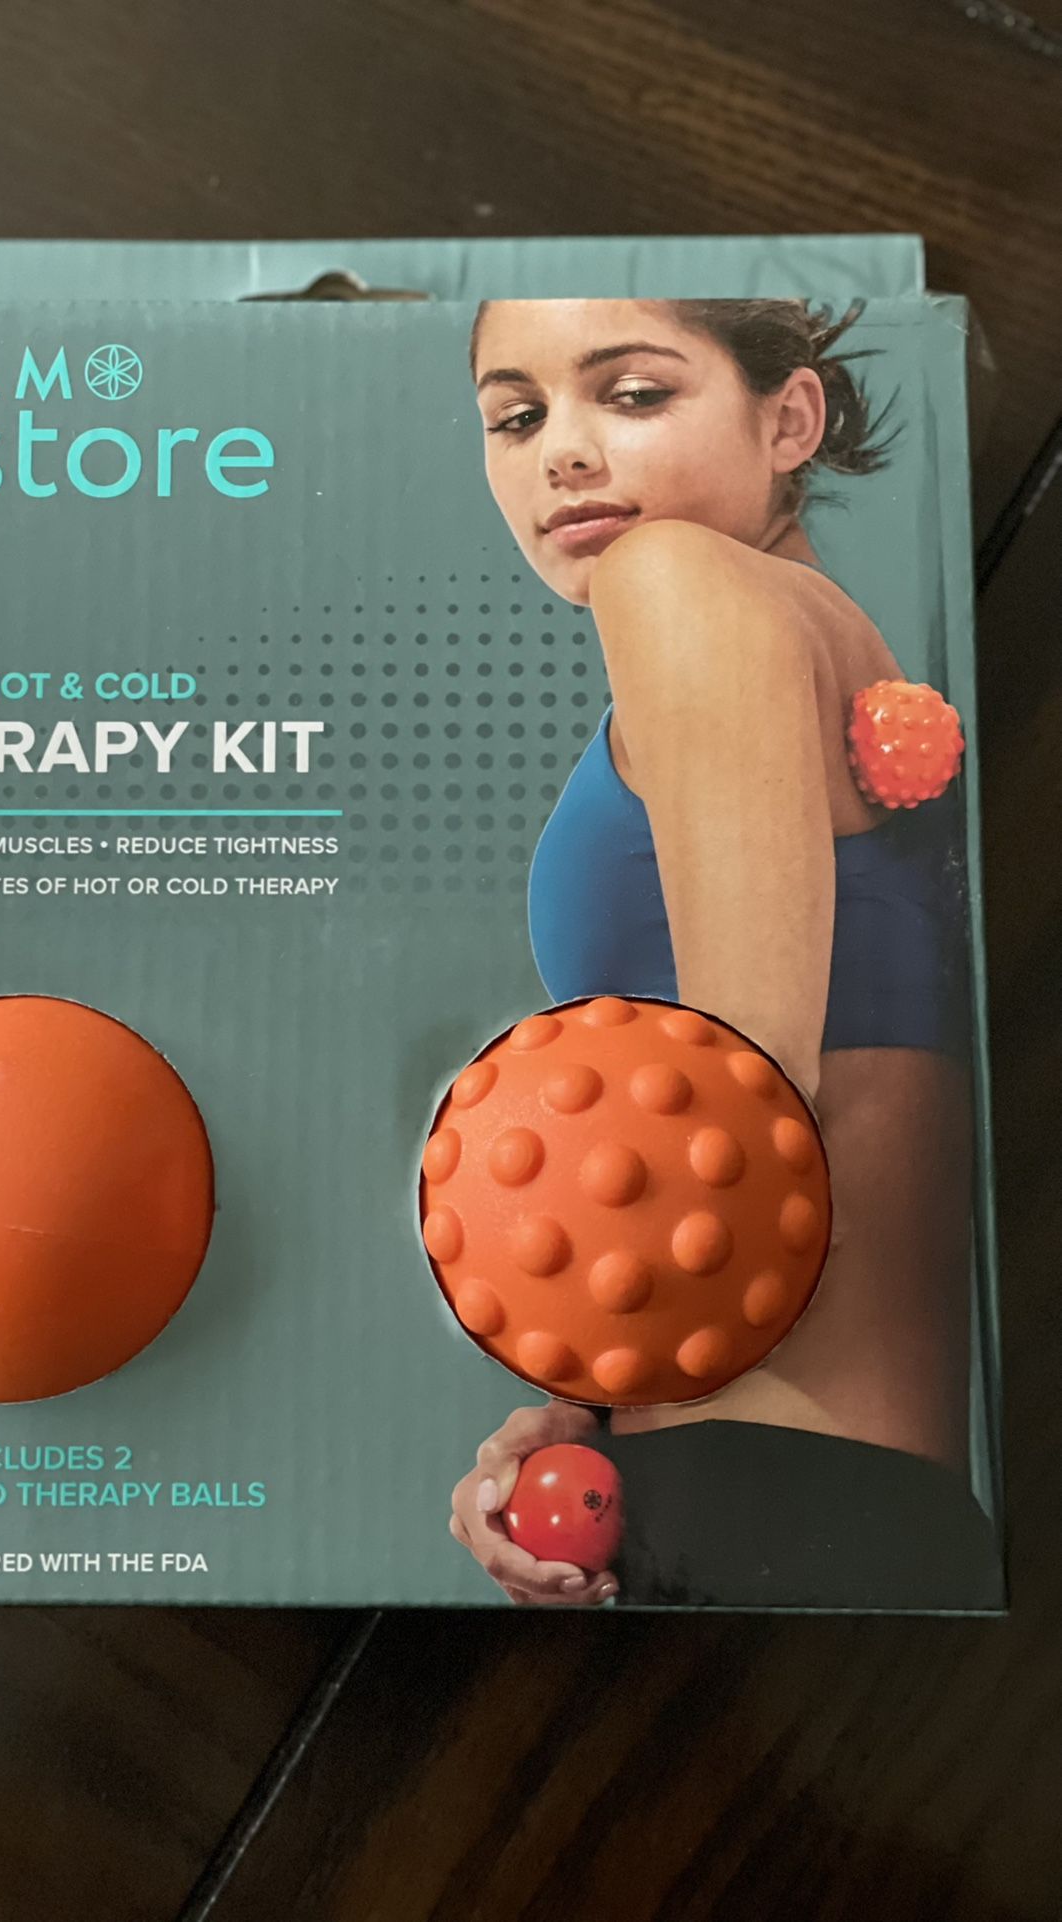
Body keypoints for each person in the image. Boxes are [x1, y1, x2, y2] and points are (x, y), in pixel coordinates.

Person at [448, 298, 999, 1609]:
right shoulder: (826, 636)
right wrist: (581, 1412)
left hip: (759, 1494)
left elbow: (745, 1118)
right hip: (827, 1493)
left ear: (789, 418)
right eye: (515, 417)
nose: (561, 451)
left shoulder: (676, 581)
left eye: (632, 394)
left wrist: (569, 1356)